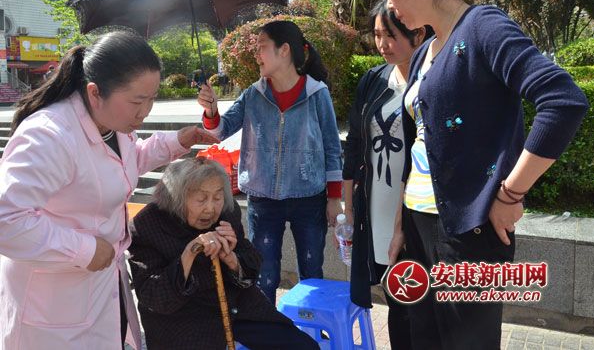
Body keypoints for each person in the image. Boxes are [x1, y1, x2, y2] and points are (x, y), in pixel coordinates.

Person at [377, 0, 589, 349]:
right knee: (422, 339)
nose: (388, 3)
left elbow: (563, 101)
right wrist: (401, 226)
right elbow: (420, 143)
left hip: (467, 232)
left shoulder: (483, 26)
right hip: (419, 226)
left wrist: (511, 194)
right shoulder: (425, 51)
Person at [0, 31, 217, 350]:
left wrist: (176, 142)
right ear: (94, 92)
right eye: (137, 101)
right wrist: (84, 249)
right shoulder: (49, 136)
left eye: (152, 98)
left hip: (100, 286)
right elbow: (7, 220)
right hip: (53, 303)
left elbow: (122, 165)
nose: (146, 111)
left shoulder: (112, 125)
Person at [198, 20, 343, 303]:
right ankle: (267, 324)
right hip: (263, 198)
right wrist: (212, 110)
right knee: (264, 275)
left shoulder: (317, 94)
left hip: (308, 196)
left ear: (284, 50)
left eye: (262, 47)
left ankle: (309, 324)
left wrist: (334, 198)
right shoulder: (254, 94)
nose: (256, 55)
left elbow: (332, 147)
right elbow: (221, 130)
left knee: (312, 272)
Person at [128, 158, 319, 350]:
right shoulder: (147, 225)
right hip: (184, 319)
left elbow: (251, 263)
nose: (210, 208)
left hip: (237, 307)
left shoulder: (227, 211)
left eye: (217, 198)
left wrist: (232, 259)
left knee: (303, 346)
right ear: (176, 198)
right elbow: (154, 297)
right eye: (201, 199)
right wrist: (189, 253)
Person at [343, 0, 433, 349]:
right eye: (378, 35)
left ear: (418, 34)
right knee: (396, 298)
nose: (382, 44)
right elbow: (354, 144)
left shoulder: (431, 82)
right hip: (377, 205)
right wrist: (349, 207)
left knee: (422, 303)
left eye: (391, 35)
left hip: (417, 209)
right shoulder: (373, 80)